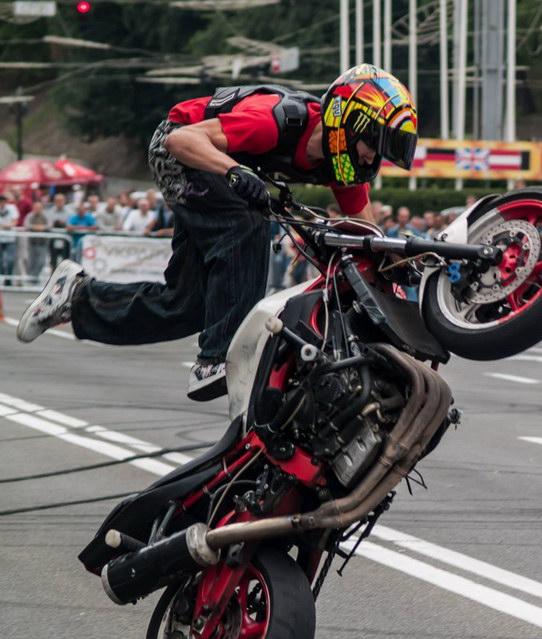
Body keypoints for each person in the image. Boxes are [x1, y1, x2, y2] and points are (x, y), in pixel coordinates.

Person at [17, 64, 419, 402]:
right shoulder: (276, 119)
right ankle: (215, 358)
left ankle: (77, 296)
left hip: (218, 175)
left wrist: (398, 269)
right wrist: (233, 171)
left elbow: (365, 233)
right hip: (181, 151)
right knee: (249, 222)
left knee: (188, 306)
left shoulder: (341, 168)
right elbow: (180, 139)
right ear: (347, 122)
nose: (372, 157)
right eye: (372, 144)